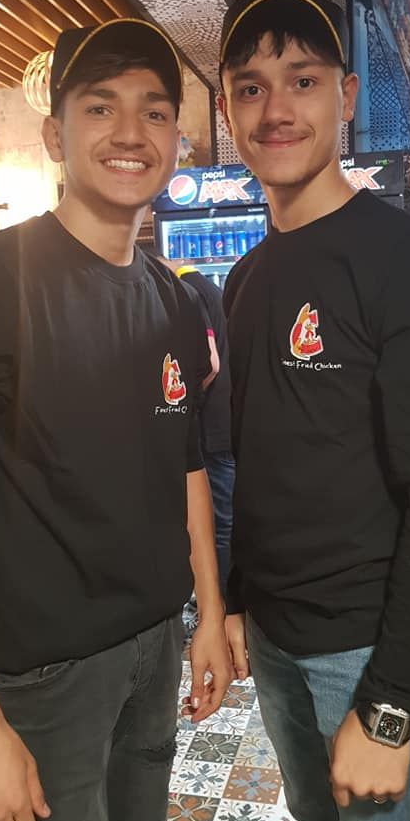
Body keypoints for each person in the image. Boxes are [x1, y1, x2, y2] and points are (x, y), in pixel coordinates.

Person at [0, 18, 232, 821]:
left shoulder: (173, 298)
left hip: (155, 642)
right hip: (48, 675)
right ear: (54, 135)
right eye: (100, 107)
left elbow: (186, 462)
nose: (130, 133)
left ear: (177, 143)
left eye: (154, 112)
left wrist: (209, 611)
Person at [218, 0, 410, 821]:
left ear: (347, 93)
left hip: (370, 647)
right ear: (225, 109)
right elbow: (257, 461)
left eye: (303, 79)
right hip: (276, 640)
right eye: (251, 87)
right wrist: (235, 602)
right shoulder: (245, 279)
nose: (277, 108)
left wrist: (392, 703)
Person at [148, 251, 235, 597]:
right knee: (225, 518)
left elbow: (210, 363)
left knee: (218, 523)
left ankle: (222, 599)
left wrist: (186, 403)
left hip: (212, 425)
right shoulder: (210, 288)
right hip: (227, 418)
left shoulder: (188, 292)